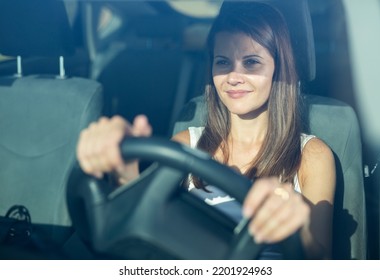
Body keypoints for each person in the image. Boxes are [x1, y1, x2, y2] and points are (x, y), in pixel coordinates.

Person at [76, 1, 335, 259]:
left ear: (280, 67)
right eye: (223, 62)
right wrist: (125, 175)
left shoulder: (311, 155)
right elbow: (148, 229)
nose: (233, 76)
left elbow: (321, 262)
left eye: (251, 62)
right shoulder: (186, 144)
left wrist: (298, 227)